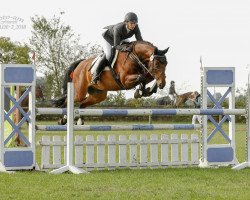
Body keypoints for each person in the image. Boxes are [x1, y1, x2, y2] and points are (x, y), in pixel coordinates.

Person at [91, 12, 143, 84]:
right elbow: (116, 46)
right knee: (108, 54)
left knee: (130, 47)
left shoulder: (136, 27)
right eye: (131, 23)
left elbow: (140, 41)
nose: (133, 25)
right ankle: (95, 75)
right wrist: (125, 49)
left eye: (135, 23)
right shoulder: (118, 28)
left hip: (121, 37)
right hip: (107, 37)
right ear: (126, 22)